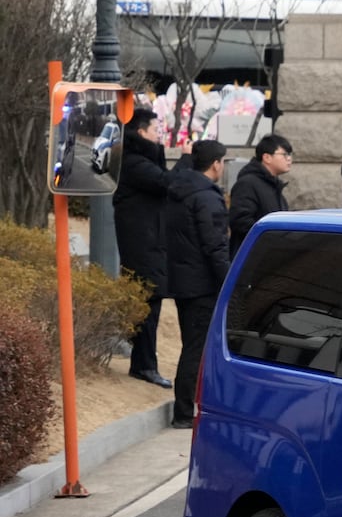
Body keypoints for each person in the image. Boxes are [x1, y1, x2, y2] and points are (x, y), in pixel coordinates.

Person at [164, 140, 232, 429]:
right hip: (203, 283)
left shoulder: (179, 191)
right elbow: (215, 245)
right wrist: (229, 282)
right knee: (197, 349)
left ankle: (186, 408)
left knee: (192, 345)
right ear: (216, 163)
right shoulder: (206, 197)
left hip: (183, 280)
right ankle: (183, 412)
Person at [112, 108, 172, 388]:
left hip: (150, 244)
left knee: (150, 304)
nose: (159, 135)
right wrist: (185, 159)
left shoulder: (141, 159)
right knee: (147, 305)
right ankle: (144, 366)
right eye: (155, 130)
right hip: (142, 247)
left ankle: (145, 364)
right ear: (141, 132)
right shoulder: (134, 162)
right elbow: (166, 182)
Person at [228, 135, 292, 255]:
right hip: (253, 257)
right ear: (267, 157)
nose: (289, 159)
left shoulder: (274, 185)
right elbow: (241, 221)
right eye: (284, 154)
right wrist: (272, 237)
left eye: (290, 155)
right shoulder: (247, 184)